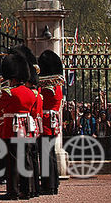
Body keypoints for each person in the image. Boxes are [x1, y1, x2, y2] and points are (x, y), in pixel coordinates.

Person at [0, 51, 38, 201]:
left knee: (12, 161)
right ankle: (27, 190)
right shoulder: (31, 93)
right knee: (25, 159)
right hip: (26, 129)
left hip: (11, 129)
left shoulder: (9, 93)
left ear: (12, 78)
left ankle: (12, 191)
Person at [38, 49, 64, 195]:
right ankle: (54, 183)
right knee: (51, 154)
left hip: (46, 122)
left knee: (46, 155)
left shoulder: (46, 89)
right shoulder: (57, 87)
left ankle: (48, 185)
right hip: (53, 122)